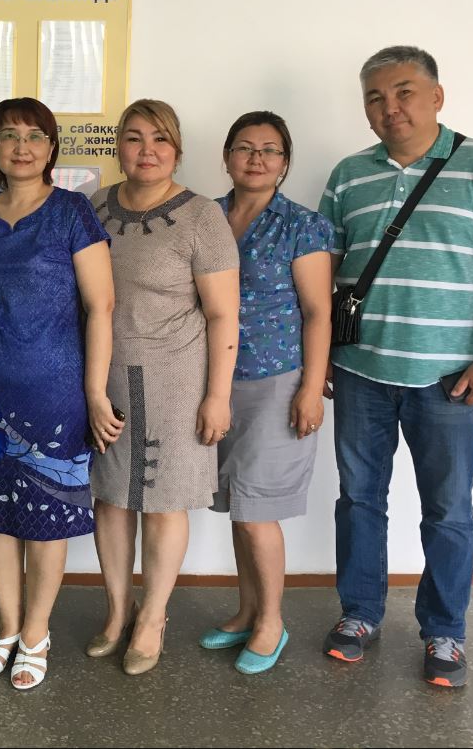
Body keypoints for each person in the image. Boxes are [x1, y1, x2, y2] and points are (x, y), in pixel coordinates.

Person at [319, 46, 473, 688]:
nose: (391, 108)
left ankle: (444, 631)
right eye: (376, 98)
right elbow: (324, 273)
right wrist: (320, 354)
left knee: (447, 509)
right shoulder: (348, 175)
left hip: (450, 380)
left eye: (404, 92)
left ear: (437, 96)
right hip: (359, 370)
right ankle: (359, 615)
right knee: (358, 499)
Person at [0, 97, 117, 689]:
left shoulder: (71, 213)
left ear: (51, 146)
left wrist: (94, 393)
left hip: (55, 391)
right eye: (8, 135)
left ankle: (36, 633)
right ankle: (6, 627)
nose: (21, 146)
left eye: (34, 135)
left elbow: (101, 306)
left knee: (46, 518)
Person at [87, 99, 239, 676]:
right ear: (118, 145)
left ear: (176, 148)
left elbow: (224, 315)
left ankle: (153, 617)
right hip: (104, 375)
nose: (146, 150)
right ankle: (116, 610)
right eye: (133, 137)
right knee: (111, 496)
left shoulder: (202, 216)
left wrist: (217, 395)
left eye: (159, 139)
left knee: (164, 501)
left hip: (177, 380)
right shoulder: (95, 206)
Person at [199, 111, 333, 674]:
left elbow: (318, 311)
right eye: (245, 148)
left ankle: (272, 622)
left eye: (271, 150)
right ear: (227, 156)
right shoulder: (205, 217)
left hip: (277, 379)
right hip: (214, 380)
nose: (257, 159)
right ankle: (247, 609)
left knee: (259, 511)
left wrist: (310, 389)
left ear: (285, 162)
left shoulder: (302, 225)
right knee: (237, 504)